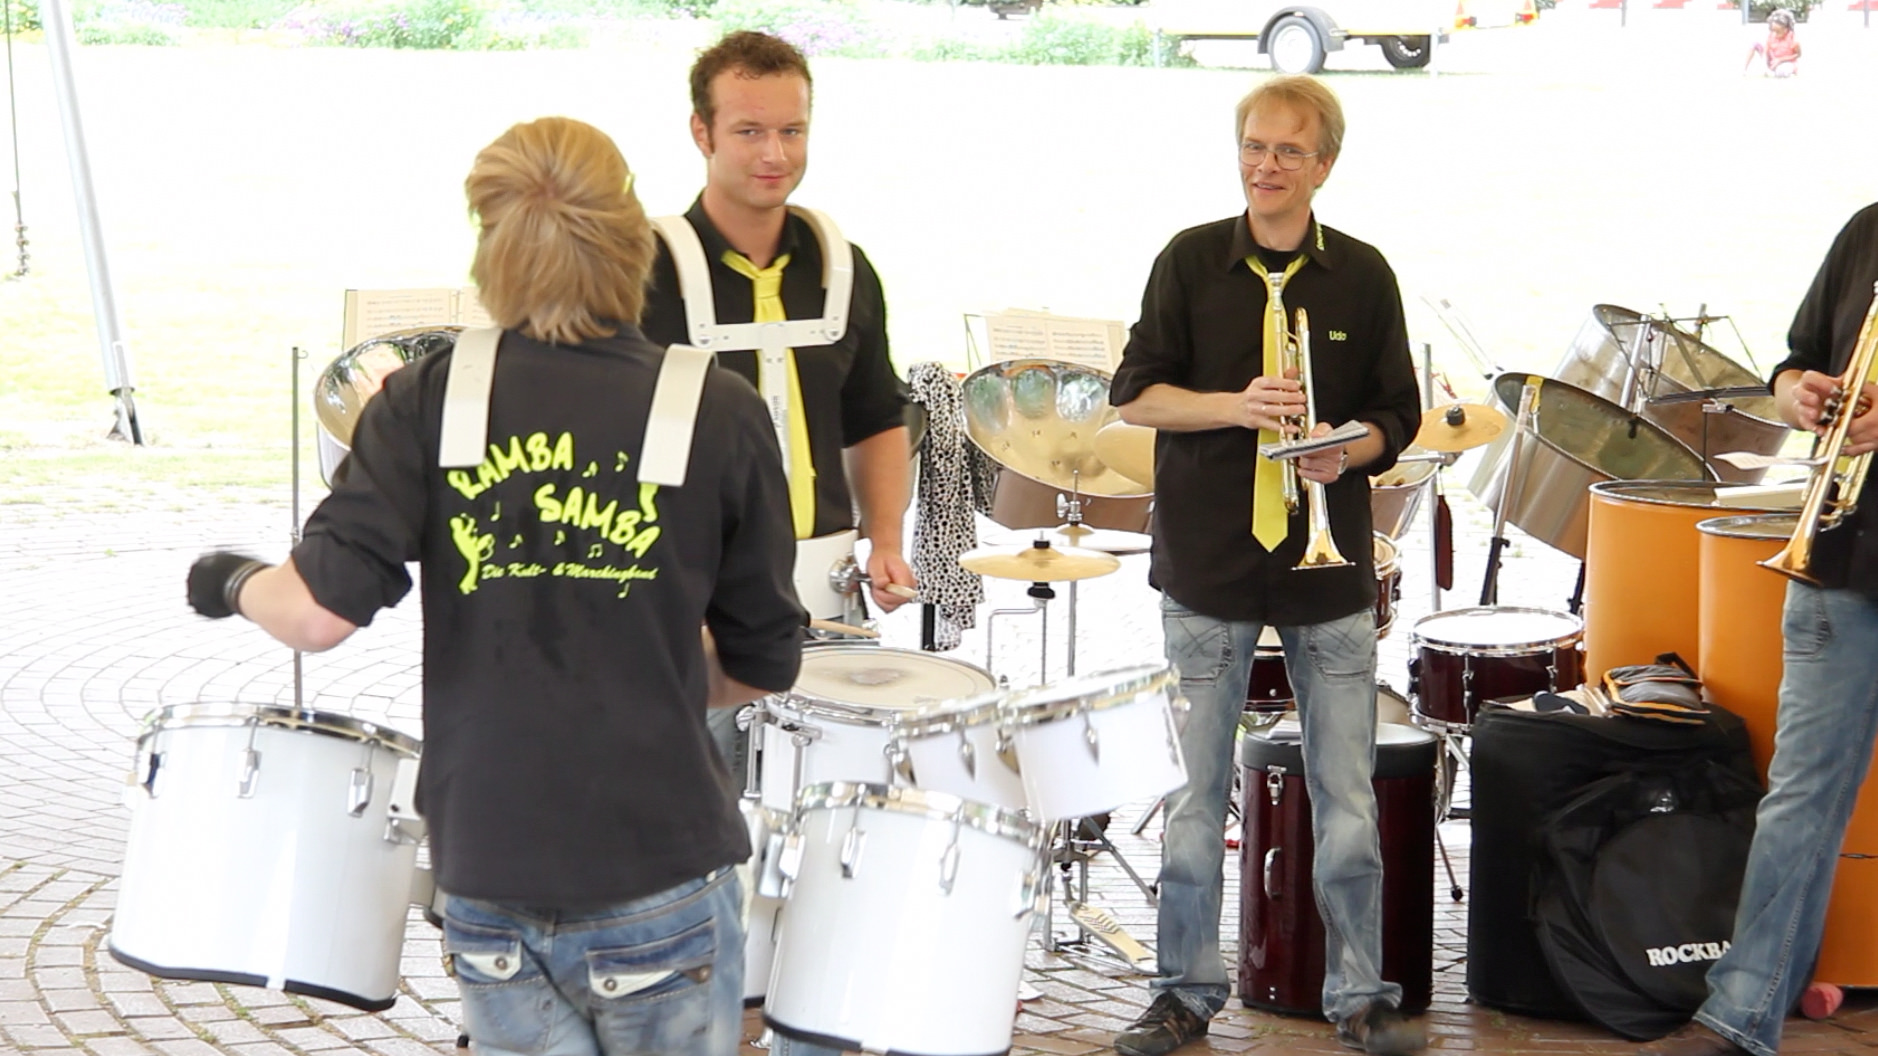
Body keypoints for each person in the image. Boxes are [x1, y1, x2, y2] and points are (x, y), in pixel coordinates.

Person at [185, 116, 805, 1056]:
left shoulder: (424, 399)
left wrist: (231, 581)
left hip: (489, 863)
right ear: (632, 235)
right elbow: (766, 660)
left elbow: (311, 613)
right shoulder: (714, 405)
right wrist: (660, 671)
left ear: (490, 244)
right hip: (660, 859)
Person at [1106, 75, 1423, 1056]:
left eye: (1288, 150)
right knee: (1193, 804)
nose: (1266, 165)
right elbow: (1135, 394)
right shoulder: (1189, 260)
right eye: (1254, 145)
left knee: (1349, 801)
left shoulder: (1362, 274)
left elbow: (1399, 412)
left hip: (1325, 568)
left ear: (1324, 164)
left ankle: (1360, 995)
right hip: (1209, 566)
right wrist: (1235, 407)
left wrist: (1352, 449)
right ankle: (1182, 993)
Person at [640, 29, 914, 784]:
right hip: (686, 592)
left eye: (793, 131)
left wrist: (885, 540)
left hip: (825, 588)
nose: (775, 154)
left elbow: (875, 414)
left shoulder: (843, 268)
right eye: (749, 131)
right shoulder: (639, 272)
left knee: (822, 814)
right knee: (695, 808)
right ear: (701, 133)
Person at [1640, 207, 1878, 1056]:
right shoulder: (1868, 231)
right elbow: (1793, 364)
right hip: (1846, 554)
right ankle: (1737, 1020)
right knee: (1799, 800)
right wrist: (1802, 395)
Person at [1744, 8, 1801, 77]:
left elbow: (1798, 54)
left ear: (1786, 30)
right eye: (1773, 30)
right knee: (1754, 44)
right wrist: (1764, 64)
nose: (1775, 34)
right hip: (1772, 60)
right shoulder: (1772, 35)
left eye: (1778, 32)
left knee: (1781, 72)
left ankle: (1780, 73)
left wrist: (1780, 60)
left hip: (1786, 62)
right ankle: (1744, 69)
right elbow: (1765, 51)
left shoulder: (1793, 39)